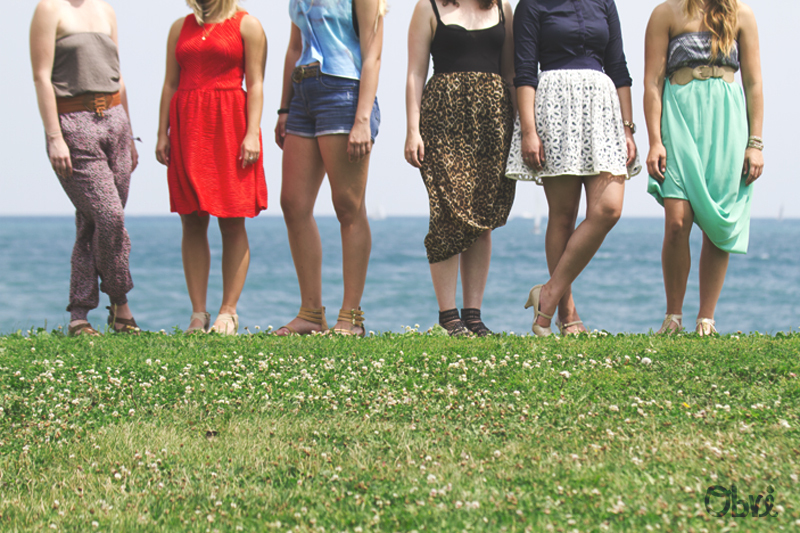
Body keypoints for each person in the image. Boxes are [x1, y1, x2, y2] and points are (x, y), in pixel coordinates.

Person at [506, 0, 639, 336]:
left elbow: (618, 66)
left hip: (602, 109)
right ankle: (568, 315)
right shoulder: (531, 5)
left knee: (609, 209)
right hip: (555, 107)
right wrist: (529, 130)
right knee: (563, 216)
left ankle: (547, 293)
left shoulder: (604, 3)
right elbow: (524, 70)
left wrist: (627, 128)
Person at [644, 0, 763, 335]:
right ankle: (673, 316)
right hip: (679, 122)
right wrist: (655, 140)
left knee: (717, 223)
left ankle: (706, 320)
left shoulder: (742, 14)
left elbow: (753, 83)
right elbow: (652, 83)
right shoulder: (665, 13)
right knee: (677, 222)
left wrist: (755, 143)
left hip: (727, 127)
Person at [274, 0, 385, 337]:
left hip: (344, 91)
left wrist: (363, 118)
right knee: (293, 203)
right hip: (302, 92)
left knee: (348, 207)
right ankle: (310, 313)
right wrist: (283, 108)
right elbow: (295, 46)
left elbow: (373, 52)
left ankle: (350, 316)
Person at [405, 0, 516, 337]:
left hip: (493, 120)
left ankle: (473, 315)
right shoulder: (428, 7)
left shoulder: (502, 8)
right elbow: (414, 73)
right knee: (447, 212)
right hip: (443, 118)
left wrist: (523, 125)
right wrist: (412, 130)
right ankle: (448, 315)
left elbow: (510, 72)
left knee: (483, 217)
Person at [156, 0, 267, 335]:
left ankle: (228, 312)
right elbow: (169, 84)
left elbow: (257, 83)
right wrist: (162, 132)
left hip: (230, 125)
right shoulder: (179, 27)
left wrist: (251, 133)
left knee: (232, 220)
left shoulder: (248, 25)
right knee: (191, 219)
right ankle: (198, 313)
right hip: (188, 126)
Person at [30, 0, 140, 337]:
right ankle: (120, 303)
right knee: (109, 217)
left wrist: (130, 133)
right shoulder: (49, 9)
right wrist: (54, 137)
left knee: (92, 223)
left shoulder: (106, 10)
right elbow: (41, 77)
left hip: (116, 121)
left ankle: (80, 316)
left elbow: (117, 75)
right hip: (74, 122)